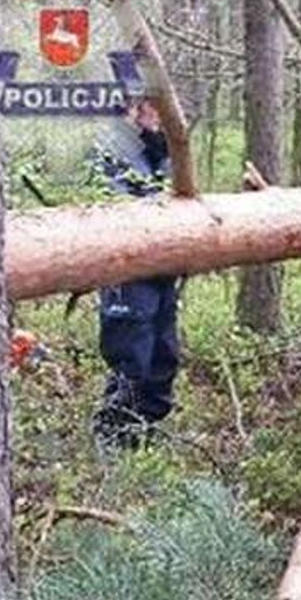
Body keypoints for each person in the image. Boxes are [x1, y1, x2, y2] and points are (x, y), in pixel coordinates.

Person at [91, 97, 180, 449]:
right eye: (149, 107)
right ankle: (114, 442)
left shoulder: (162, 150)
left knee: (164, 356)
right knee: (132, 359)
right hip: (126, 275)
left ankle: (147, 438)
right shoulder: (111, 149)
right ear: (132, 108)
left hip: (163, 272)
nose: (157, 115)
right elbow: (117, 209)